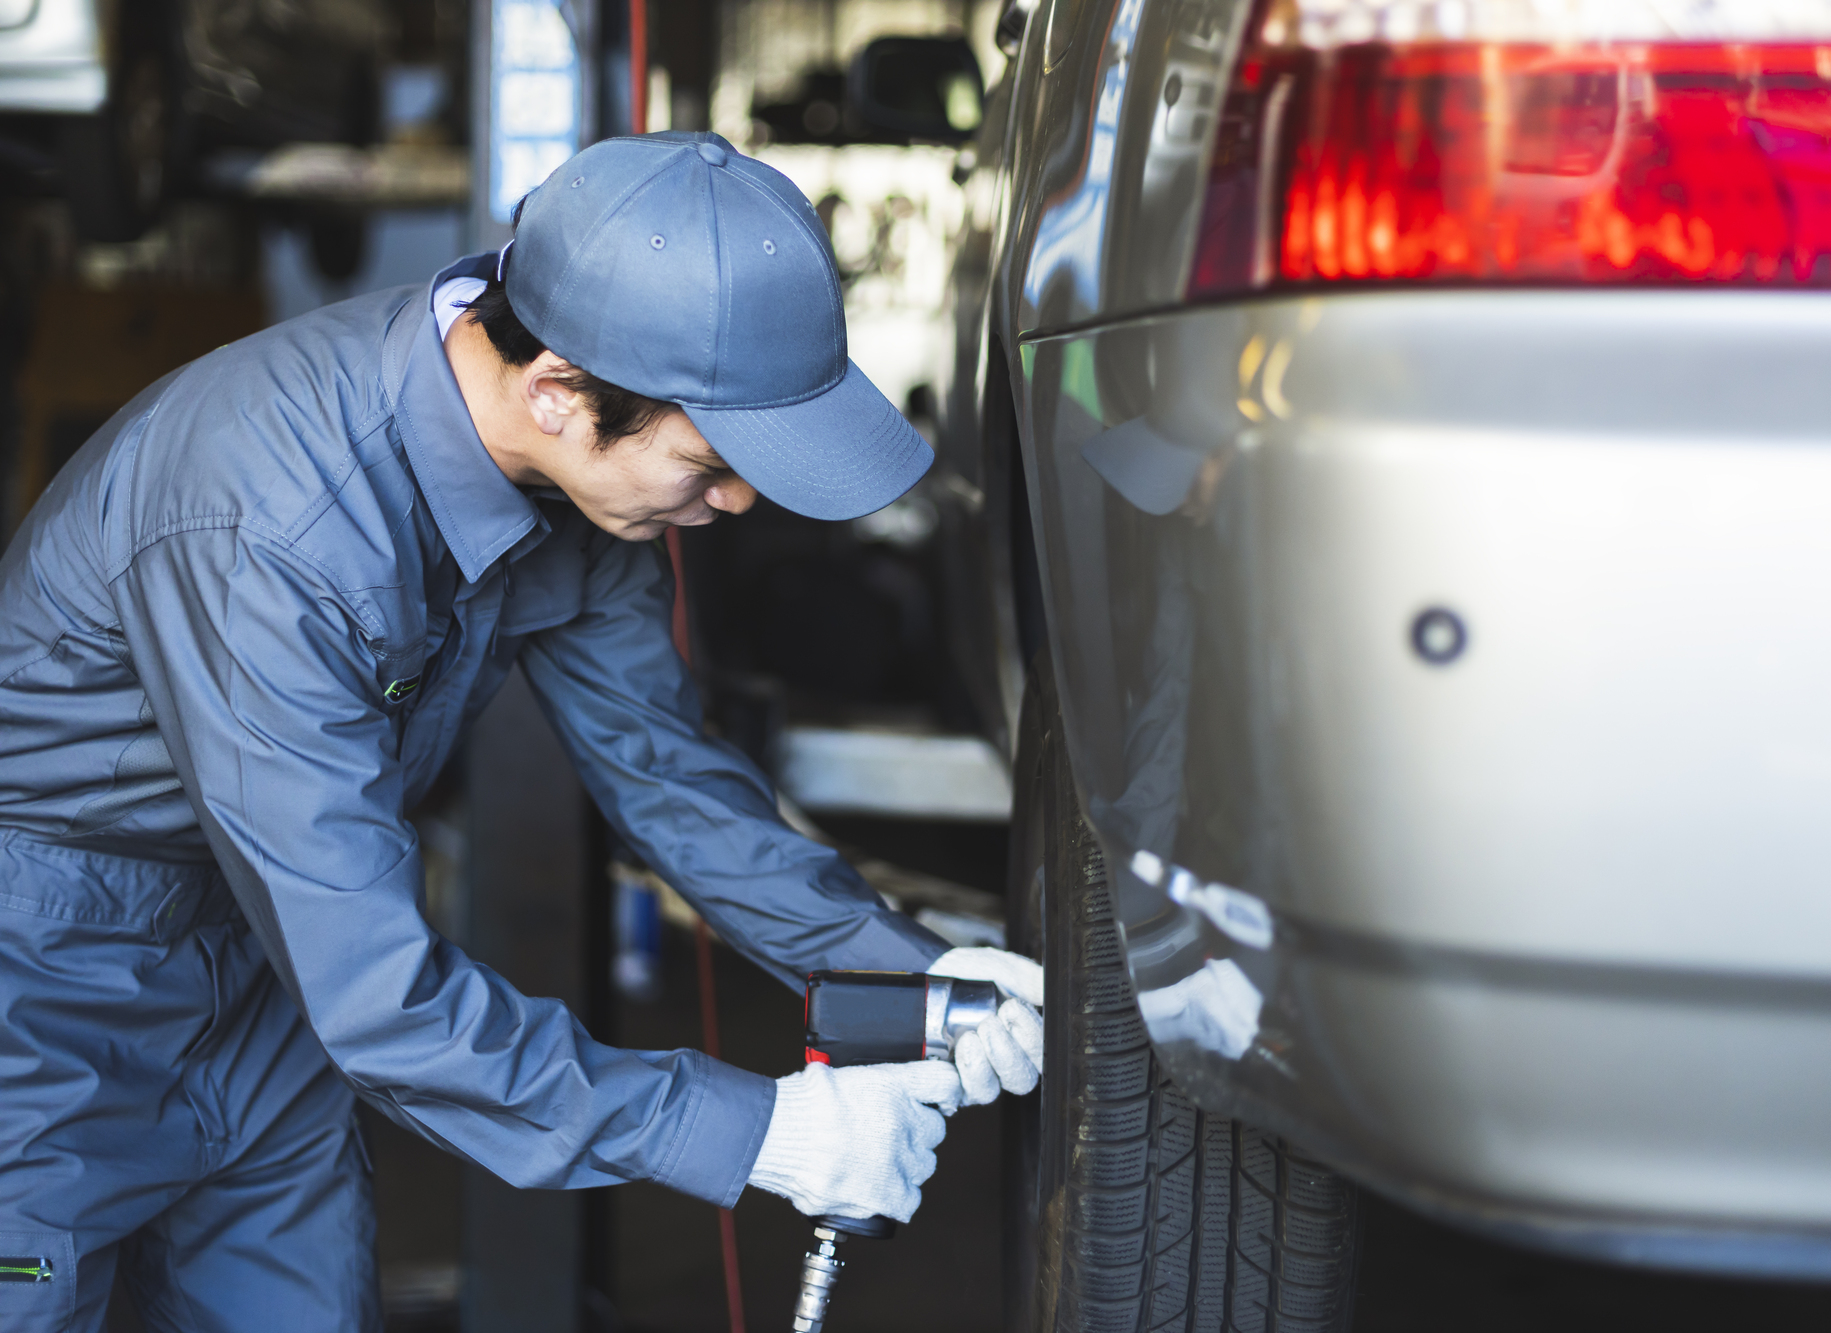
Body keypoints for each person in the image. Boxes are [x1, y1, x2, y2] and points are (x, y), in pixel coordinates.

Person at [0, 131, 1046, 1331]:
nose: (739, 502)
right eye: (710, 461)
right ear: (556, 392)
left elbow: (664, 773)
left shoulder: (578, 488)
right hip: (42, 989)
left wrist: (904, 970)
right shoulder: (267, 530)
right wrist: (752, 1131)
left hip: (264, 987)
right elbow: (380, 999)